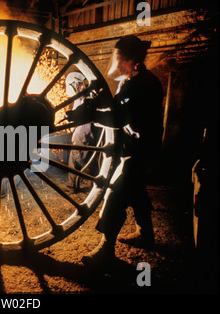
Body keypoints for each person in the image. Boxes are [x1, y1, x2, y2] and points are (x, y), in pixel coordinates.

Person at [79, 35, 164, 266]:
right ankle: (146, 235)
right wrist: (93, 103)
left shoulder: (147, 85)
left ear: (132, 61)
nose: (116, 62)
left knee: (116, 193)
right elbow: (115, 108)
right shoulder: (127, 82)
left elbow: (121, 118)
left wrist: (91, 116)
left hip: (142, 148)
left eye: (119, 58)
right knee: (137, 191)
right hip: (133, 147)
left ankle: (106, 250)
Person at [65, 71, 101, 190]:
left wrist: (72, 119)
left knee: (77, 158)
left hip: (83, 131)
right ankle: (94, 183)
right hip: (87, 131)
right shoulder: (86, 93)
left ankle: (74, 185)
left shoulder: (84, 95)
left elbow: (82, 112)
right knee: (87, 156)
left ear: (75, 83)